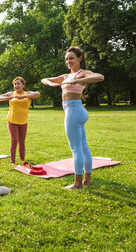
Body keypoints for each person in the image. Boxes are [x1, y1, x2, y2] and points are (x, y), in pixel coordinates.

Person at [41, 46, 104, 189]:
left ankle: (77, 183)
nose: (68, 61)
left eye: (71, 58)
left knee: (76, 148)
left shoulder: (82, 73)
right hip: (77, 111)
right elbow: (44, 79)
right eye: (67, 59)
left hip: (74, 111)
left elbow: (100, 77)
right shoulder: (65, 76)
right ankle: (86, 180)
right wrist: (51, 83)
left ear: (80, 58)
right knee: (83, 147)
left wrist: (76, 81)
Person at [0, 77, 40, 165]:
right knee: (14, 140)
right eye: (15, 84)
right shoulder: (11, 94)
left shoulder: (28, 94)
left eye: (18, 83)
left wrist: (24, 96)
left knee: (22, 141)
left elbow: (38, 94)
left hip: (23, 121)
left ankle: (22, 159)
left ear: (23, 85)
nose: (16, 85)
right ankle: (13, 161)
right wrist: (6, 97)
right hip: (12, 120)